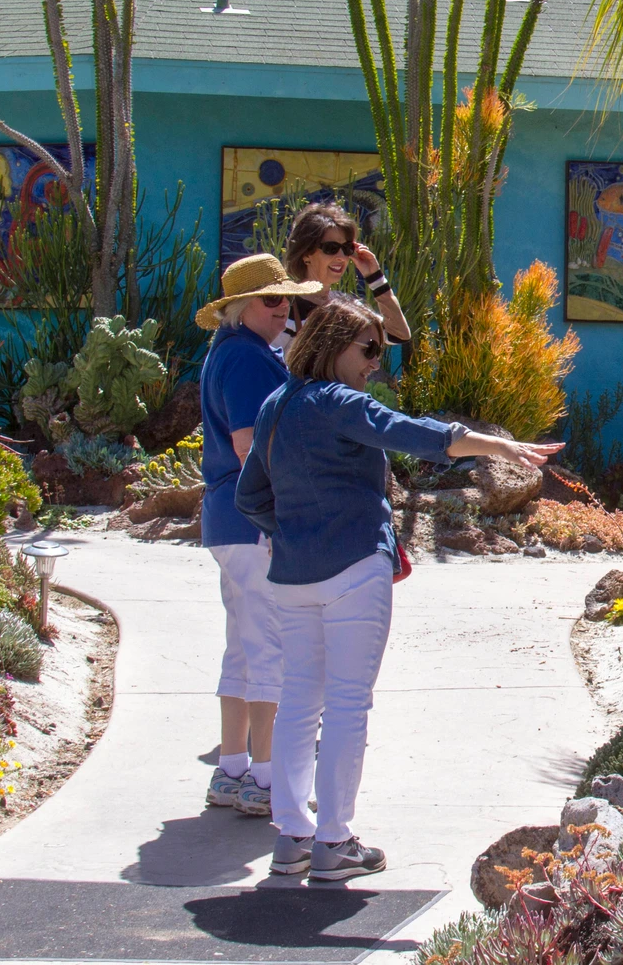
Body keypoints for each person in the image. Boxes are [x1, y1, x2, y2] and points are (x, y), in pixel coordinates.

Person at [236, 297, 562, 881]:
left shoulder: (274, 406)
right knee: (346, 705)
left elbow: (249, 496)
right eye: (368, 349)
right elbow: (411, 433)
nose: (375, 364)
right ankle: (334, 840)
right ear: (333, 343)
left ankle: (291, 837)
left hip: (292, 576)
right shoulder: (340, 402)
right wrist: (499, 445)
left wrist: (291, 533)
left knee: (299, 704)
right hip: (354, 568)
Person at [194, 254, 322, 817]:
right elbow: (252, 446)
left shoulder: (228, 353)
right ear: (242, 308)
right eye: (273, 300)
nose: (283, 310)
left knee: (243, 646)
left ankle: (232, 769)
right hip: (255, 522)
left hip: (227, 519)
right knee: (273, 646)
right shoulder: (247, 359)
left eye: (287, 300)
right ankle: (267, 779)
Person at [281, 203, 410, 348]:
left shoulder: (347, 305)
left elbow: (398, 335)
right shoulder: (283, 309)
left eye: (347, 248)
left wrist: (375, 278)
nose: (341, 257)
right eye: (331, 248)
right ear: (306, 254)